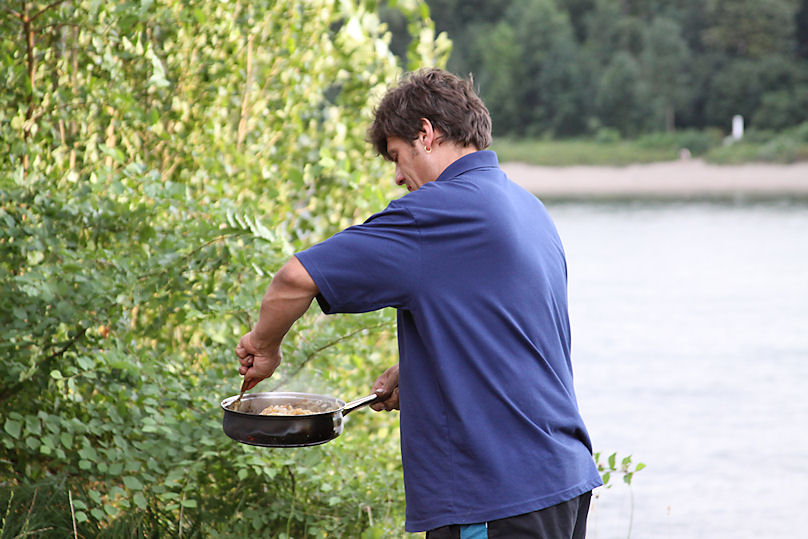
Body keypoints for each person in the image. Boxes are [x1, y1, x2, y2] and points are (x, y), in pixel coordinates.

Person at [235, 67, 602, 538]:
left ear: (426, 135)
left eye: (396, 155)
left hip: (493, 495)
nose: (396, 177)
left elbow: (294, 279)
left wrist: (264, 347)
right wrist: (420, 373)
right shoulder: (527, 207)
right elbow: (509, 334)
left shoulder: (435, 212)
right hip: (563, 480)